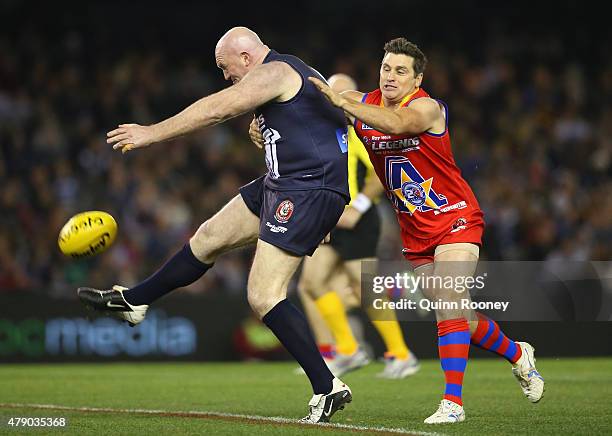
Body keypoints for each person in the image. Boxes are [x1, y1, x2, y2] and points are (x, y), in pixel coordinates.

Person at [77, 27, 352, 424]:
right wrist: (265, 132)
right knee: (208, 237)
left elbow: (218, 108)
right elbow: (325, 125)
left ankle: (327, 386)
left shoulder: (275, 71)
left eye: (225, 68)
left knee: (263, 295)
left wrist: (152, 133)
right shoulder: (292, 74)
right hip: (287, 180)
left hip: (306, 188)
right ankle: (136, 301)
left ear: (245, 56)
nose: (225, 76)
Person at [309, 38, 545, 424]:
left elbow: (400, 124)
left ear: (417, 79)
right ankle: (518, 354)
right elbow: (307, 112)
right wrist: (264, 123)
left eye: (401, 71)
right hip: (415, 231)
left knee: (450, 296)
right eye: (386, 68)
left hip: (456, 216)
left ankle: (453, 403)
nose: (391, 76)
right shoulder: (359, 101)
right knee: (456, 312)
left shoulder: (426, 107)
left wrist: (345, 104)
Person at [250, 73, 420, 379]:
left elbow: (382, 173)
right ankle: (347, 350)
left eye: (342, 92)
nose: (335, 97)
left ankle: (401, 354)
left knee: (364, 288)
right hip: (331, 216)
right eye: (331, 91)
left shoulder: (359, 130)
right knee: (310, 284)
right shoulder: (324, 129)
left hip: (358, 219)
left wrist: (360, 206)